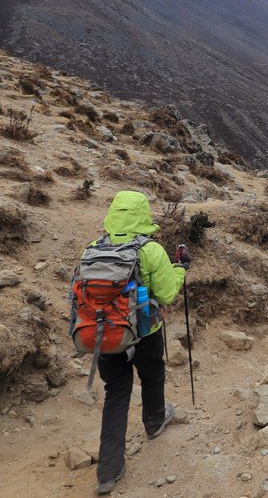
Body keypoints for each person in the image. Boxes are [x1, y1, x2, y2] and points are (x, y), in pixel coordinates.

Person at [93, 191, 187, 495]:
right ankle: (154, 421)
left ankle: (108, 471)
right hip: (144, 331)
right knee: (152, 375)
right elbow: (168, 294)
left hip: (105, 335)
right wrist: (179, 268)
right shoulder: (151, 250)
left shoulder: (94, 248)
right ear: (143, 214)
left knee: (116, 393)